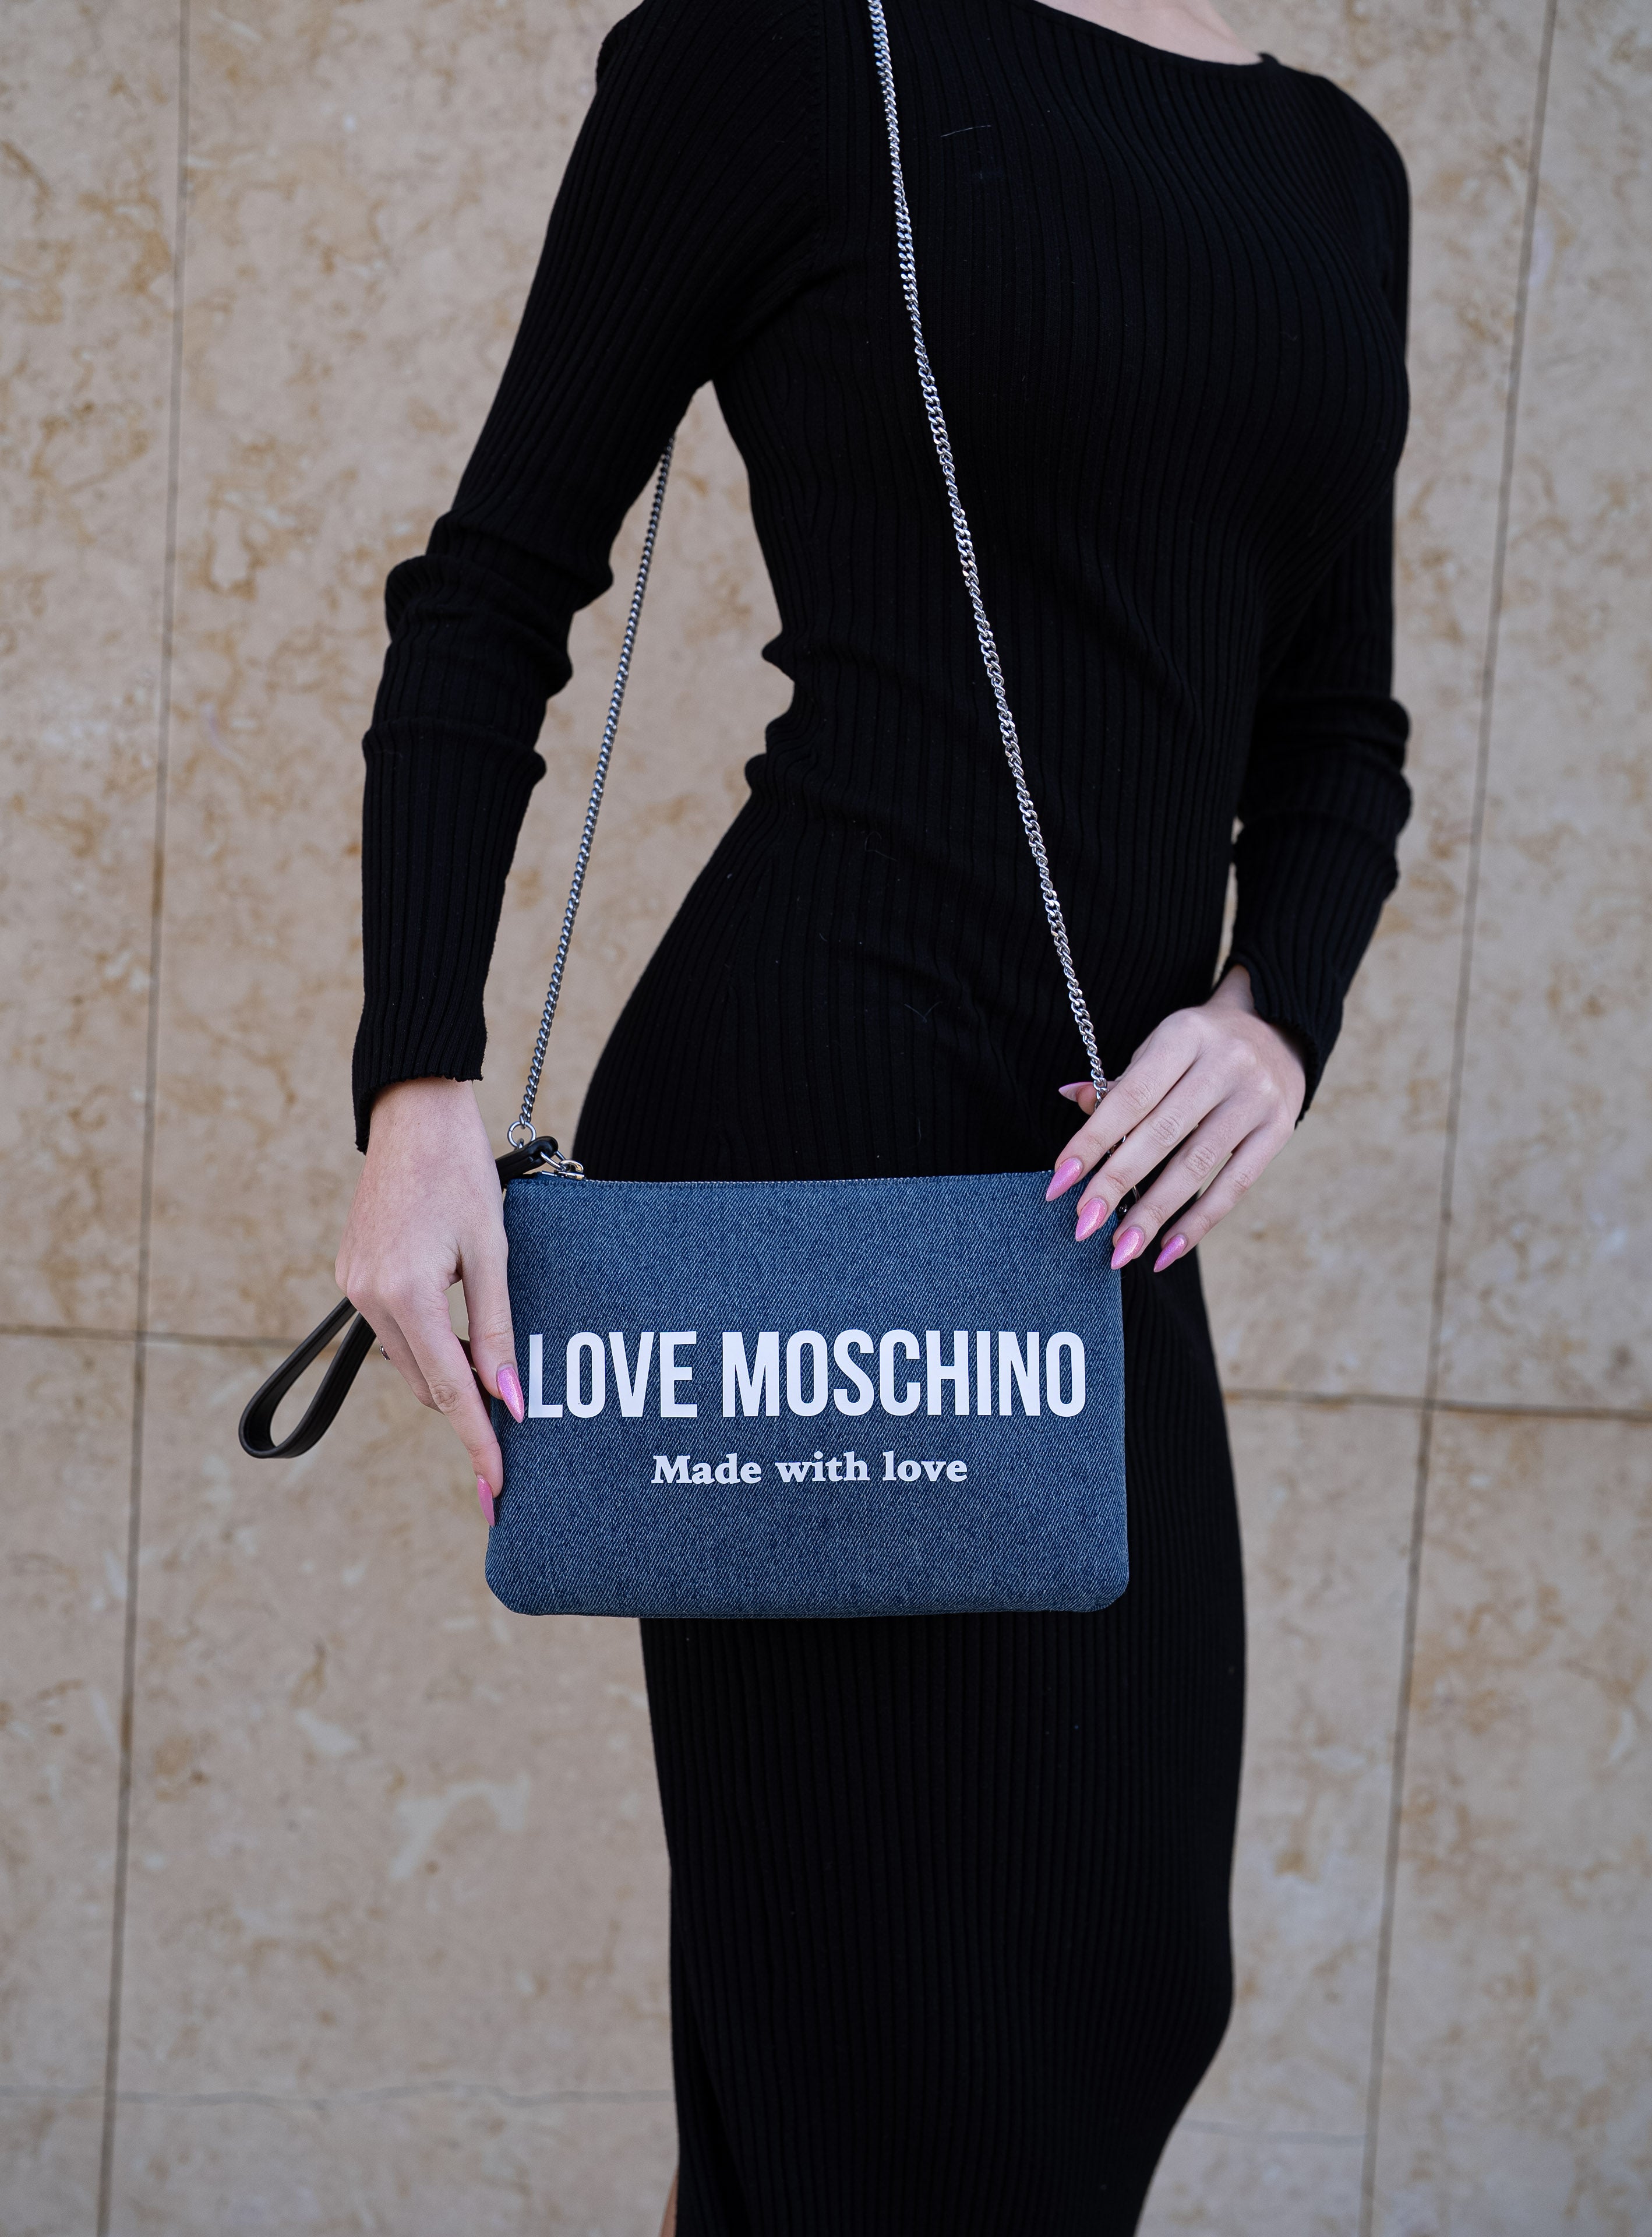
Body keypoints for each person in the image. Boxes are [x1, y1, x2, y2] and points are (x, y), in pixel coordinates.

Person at [336, 0, 1411, 2224]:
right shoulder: (790, 50)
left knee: (1115, 1983)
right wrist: (417, 1090)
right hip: (813, 1128)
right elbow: (491, 588)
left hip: (1089, 1200)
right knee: (877, 2036)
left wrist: (1273, 1021)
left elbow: (1338, 732)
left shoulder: (1332, 170)